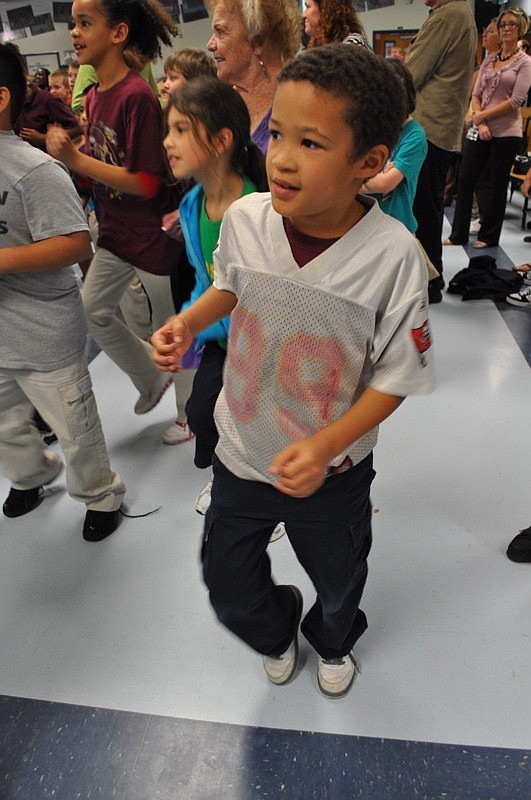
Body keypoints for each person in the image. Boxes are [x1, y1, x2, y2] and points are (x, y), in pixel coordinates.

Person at [151, 45, 434, 698]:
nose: (278, 156)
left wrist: (328, 443)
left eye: (310, 142)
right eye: (275, 132)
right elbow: (230, 285)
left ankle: (333, 639)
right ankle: (276, 628)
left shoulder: (392, 260)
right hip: (244, 454)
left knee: (338, 579)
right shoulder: (249, 220)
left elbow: (396, 375)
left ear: (369, 163)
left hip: (332, 472)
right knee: (226, 585)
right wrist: (189, 324)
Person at [46, 0, 196, 446]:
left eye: (85, 23)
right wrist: (72, 158)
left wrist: (77, 161)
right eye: (73, 24)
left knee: (169, 330)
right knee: (92, 311)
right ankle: (151, 379)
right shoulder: (94, 95)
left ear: (118, 33)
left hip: (150, 238)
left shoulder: (137, 96)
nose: (74, 33)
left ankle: (188, 415)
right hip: (114, 234)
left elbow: (148, 181)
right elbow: (103, 166)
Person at [0, 42, 125, 542]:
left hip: (45, 330)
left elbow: (75, 242)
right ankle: (31, 475)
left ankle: (101, 494)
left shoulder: (33, 170)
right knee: (5, 425)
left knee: (75, 427)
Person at [163, 77, 268, 510]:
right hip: (225, 343)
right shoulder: (191, 207)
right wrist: (185, 326)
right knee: (203, 413)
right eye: (168, 129)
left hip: (267, 346)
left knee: (260, 426)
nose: (168, 141)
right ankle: (231, 479)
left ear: (222, 139)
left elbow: (262, 296)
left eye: (182, 130)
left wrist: (196, 327)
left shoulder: (257, 208)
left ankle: (269, 496)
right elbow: (208, 285)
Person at [406, 0, 477, 303]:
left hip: (429, 126)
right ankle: (431, 278)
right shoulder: (460, 14)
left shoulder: (447, 17)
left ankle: (429, 281)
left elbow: (411, 72)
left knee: (422, 207)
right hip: (441, 126)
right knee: (429, 205)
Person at [444, 7, 531, 250]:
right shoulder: (490, 59)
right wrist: (480, 121)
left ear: (520, 29)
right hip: (480, 129)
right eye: (503, 24)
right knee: (466, 178)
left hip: (506, 133)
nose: (506, 29)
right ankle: (458, 233)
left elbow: (515, 101)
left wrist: (482, 116)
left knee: (496, 185)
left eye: (512, 25)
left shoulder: (525, 63)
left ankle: (489, 236)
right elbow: (475, 93)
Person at [206, 0, 301, 154]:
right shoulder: (225, 105)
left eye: (220, 31)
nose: (210, 45)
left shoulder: (298, 100)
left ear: (258, 40)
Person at [362, 58, 427, 234]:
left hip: (397, 226)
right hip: (367, 224)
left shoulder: (415, 136)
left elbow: (385, 184)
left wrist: (355, 183)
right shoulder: (375, 129)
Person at [14, 61, 81, 150]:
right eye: (51, 87)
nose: (52, 91)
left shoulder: (48, 100)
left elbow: (78, 129)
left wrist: (43, 138)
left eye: (57, 87)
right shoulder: (9, 103)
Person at [302, 0, 370, 49]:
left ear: (324, 10)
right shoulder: (320, 44)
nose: (303, 15)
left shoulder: (353, 46)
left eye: (308, 6)